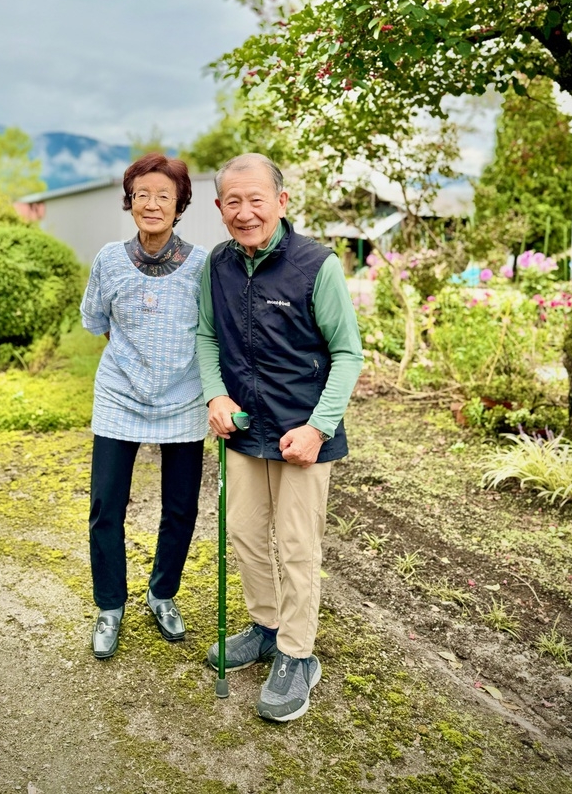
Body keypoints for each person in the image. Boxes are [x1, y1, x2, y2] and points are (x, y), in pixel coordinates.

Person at [196, 153, 363, 722]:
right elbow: (206, 338)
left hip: (302, 434)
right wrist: (216, 396)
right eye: (233, 202)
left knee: (296, 546)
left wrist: (319, 428)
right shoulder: (216, 265)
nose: (245, 213)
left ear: (281, 203)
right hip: (244, 429)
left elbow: (347, 354)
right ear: (220, 209)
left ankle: (297, 653)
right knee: (244, 534)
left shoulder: (318, 266)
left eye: (256, 200)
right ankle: (265, 626)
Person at [80, 153, 208, 659]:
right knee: (105, 504)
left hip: (185, 398)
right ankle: (110, 606)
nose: (151, 203)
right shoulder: (109, 259)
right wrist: (132, 364)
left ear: (180, 205)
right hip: (118, 396)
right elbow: (97, 321)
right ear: (129, 201)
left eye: (163, 195)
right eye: (142, 194)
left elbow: (211, 333)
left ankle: (163, 594)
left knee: (181, 507)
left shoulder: (202, 265)